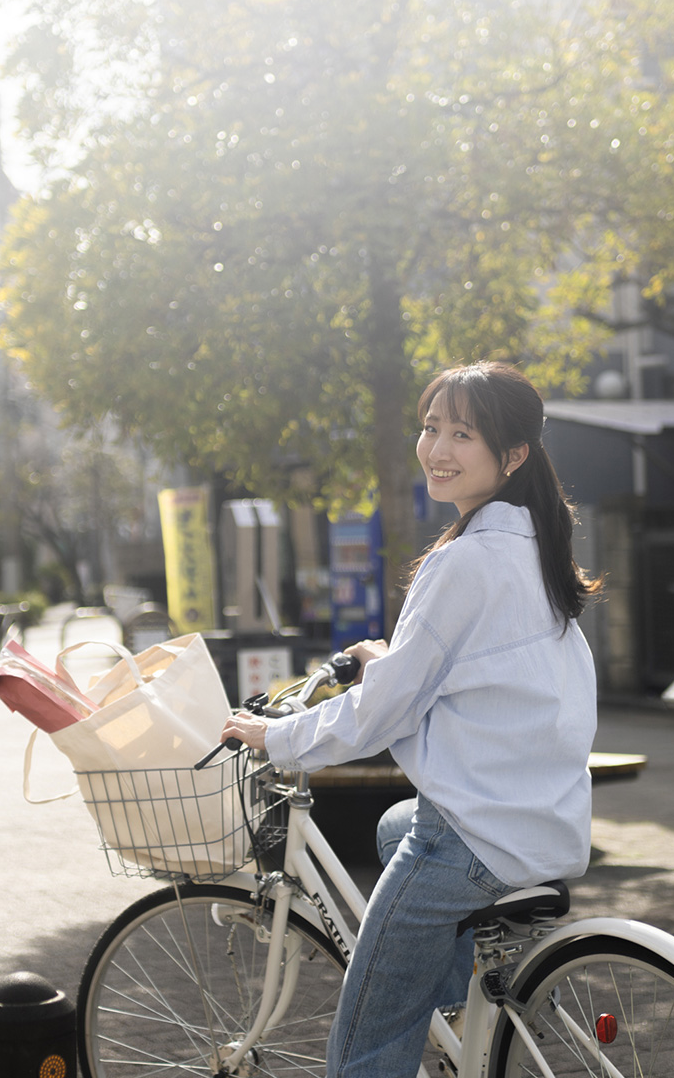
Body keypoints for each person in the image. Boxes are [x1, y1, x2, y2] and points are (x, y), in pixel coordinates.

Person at [220, 360, 602, 1078]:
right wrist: (392, 659)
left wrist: (277, 738)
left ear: (512, 456)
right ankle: (461, 1008)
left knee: (362, 1045)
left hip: (469, 840)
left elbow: (375, 717)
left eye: (463, 434)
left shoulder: (462, 562)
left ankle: (417, 1016)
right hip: (544, 825)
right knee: (393, 824)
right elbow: (471, 667)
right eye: (431, 428)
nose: (438, 449)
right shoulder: (534, 549)